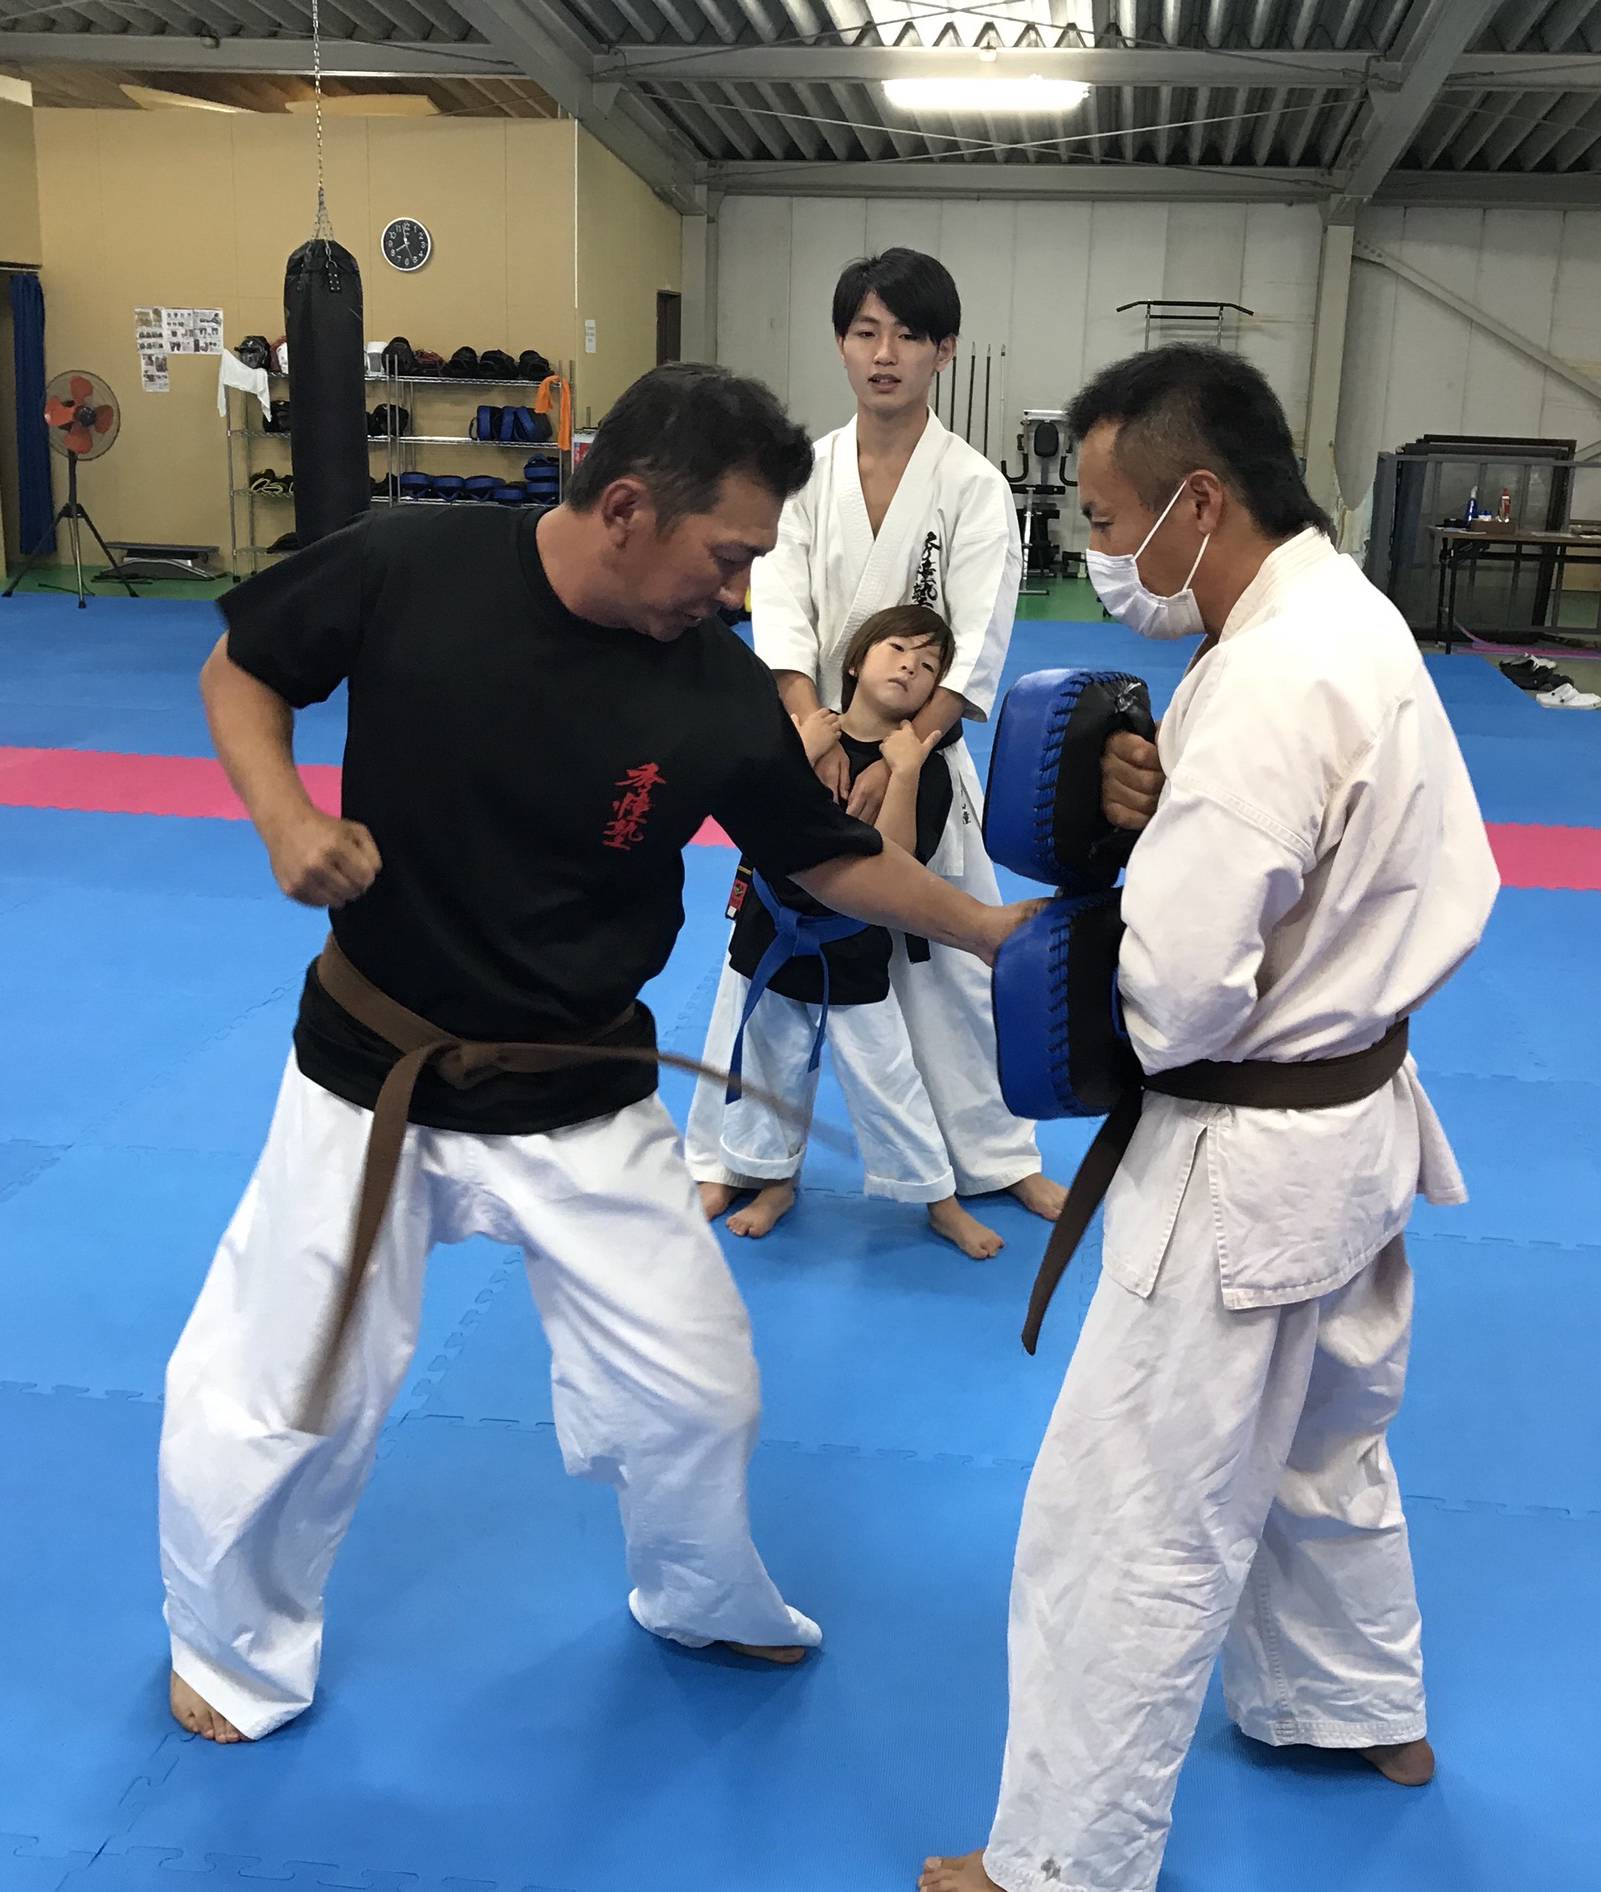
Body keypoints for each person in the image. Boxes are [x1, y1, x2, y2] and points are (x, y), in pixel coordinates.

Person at [159, 363, 1032, 1746]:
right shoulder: (408, 566)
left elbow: (821, 854)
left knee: (698, 1389)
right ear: (625, 508)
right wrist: (284, 819)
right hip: (373, 1072)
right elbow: (243, 666)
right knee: (283, 1393)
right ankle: (230, 1651)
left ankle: (696, 1595)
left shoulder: (714, 689)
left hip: (580, 1085)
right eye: (727, 555)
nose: (738, 592)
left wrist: (983, 929)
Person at [918, 346, 1500, 1892]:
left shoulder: (1262, 686)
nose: (1101, 554)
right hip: (1358, 1122)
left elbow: (1174, 1002)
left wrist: (1106, 911)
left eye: (1110, 521)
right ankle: (1356, 1709)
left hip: (1240, 1164)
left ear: (1199, 501)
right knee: (1321, 1446)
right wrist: (1164, 803)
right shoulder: (1347, 618)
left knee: (1127, 1513)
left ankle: (1072, 1869)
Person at [742, 246, 1063, 1226]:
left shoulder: (971, 485)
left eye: (908, 336)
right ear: (840, 343)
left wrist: (901, 752)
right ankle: (750, 1155)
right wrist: (812, 727)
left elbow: (978, 638)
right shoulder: (803, 474)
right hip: (813, 751)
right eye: (864, 332)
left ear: (943, 350)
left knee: (955, 967)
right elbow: (779, 608)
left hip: (924, 760)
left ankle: (995, 1156)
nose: (884, 354)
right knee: (770, 952)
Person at [687, 604, 1003, 1260]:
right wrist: (799, 754)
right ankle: (770, 1181)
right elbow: (751, 815)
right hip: (769, 932)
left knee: (889, 1080)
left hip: (854, 946)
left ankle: (939, 1200)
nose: (911, 667)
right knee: (765, 1072)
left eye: (929, 665)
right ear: (856, 661)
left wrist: (905, 771)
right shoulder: (796, 731)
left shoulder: (924, 764)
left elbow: (896, 863)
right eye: (898, 649)